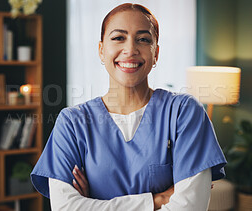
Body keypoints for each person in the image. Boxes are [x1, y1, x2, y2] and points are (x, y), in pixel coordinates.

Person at [31, 3, 226, 211]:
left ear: (156, 53)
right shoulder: (71, 122)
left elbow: (190, 208)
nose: (130, 49)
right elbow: (65, 208)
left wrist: (93, 205)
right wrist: (155, 201)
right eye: (118, 38)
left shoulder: (184, 113)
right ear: (101, 50)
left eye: (143, 39)